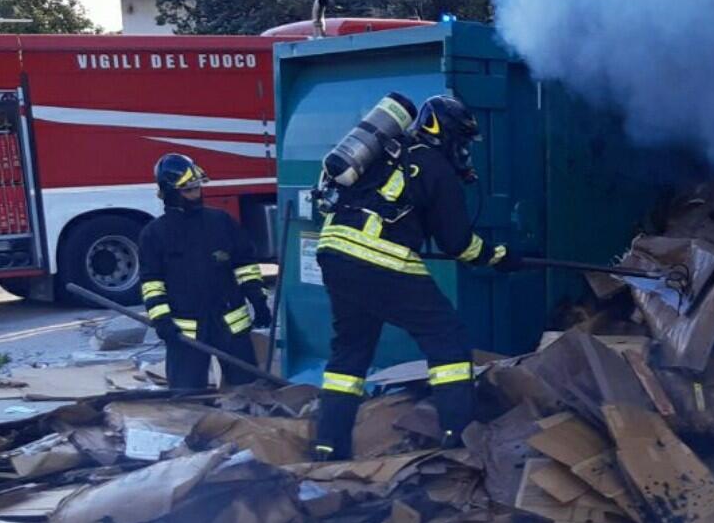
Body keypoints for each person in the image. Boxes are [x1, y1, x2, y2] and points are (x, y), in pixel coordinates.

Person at [313, 94, 520, 459]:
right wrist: (499, 257)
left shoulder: (385, 153)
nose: (464, 151)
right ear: (446, 135)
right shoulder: (436, 168)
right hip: (381, 259)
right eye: (462, 141)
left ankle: (328, 446)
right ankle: (460, 440)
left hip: (335, 253)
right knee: (447, 339)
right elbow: (457, 242)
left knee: (350, 351)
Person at [138, 153, 272, 389]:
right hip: (185, 331)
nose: (196, 194)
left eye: (197, 188)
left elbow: (245, 265)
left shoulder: (221, 222)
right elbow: (152, 283)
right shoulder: (154, 234)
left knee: (250, 391)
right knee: (186, 396)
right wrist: (162, 320)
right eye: (188, 190)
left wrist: (258, 300)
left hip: (230, 324)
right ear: (170, 192)